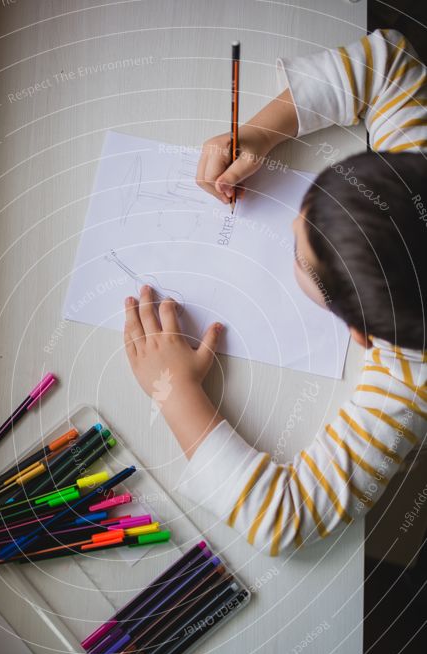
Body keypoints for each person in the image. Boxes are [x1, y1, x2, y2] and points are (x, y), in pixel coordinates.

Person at [123, 28, 427, 556]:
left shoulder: (411, 378)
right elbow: (390, 62)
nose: (287, 226)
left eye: (297, 254)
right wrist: (261, 133)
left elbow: (285, 520)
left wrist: (176, 393)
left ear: (361, 335)